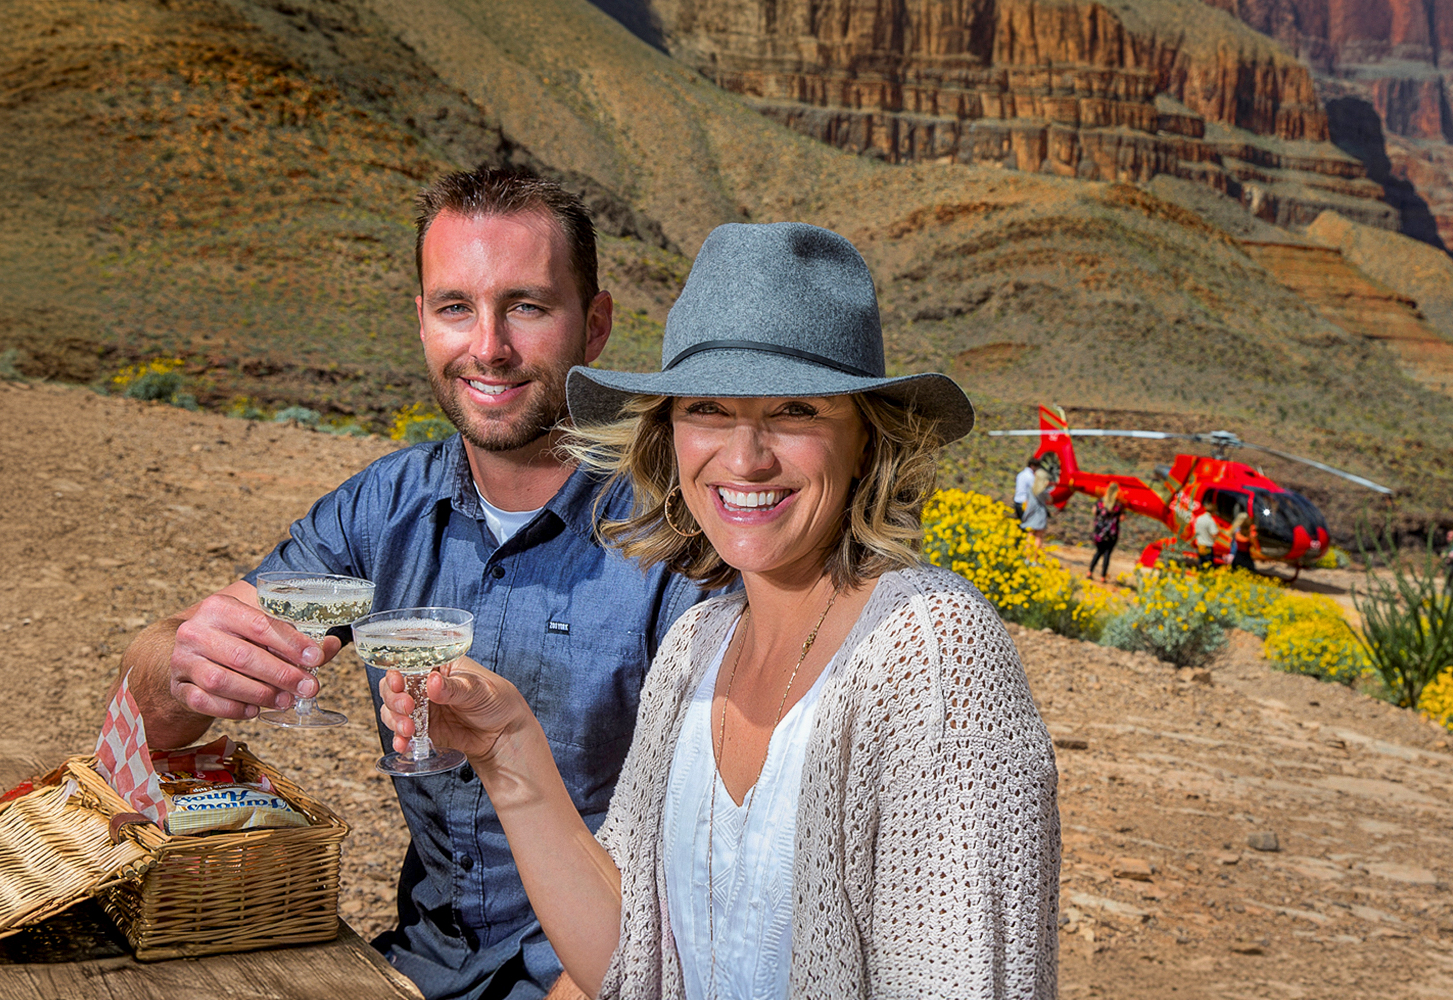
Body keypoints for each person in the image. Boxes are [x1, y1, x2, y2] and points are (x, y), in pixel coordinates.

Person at [381, 223, 1061, 999]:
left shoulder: (931, 651)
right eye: (708, 408)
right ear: (668, 436)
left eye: (796, 411)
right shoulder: (698, 646)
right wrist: (507, 748)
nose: (744, 459)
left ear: (868, 444)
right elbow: (629, 961)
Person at [114, 166, 708, 1000]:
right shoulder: (381, 508)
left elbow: (699, 879)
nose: (489, 347)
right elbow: (152, 718)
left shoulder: (679, 541)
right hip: (414, 965)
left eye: (527, 306)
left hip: (608, 975)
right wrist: (183, 663)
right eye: (456, 307)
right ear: (422, 320)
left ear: (595, 324)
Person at [1088, 482, 1123, 581]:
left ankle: (1090, 571)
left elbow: (1094, 511)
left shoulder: (1100, 502)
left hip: (1099, 532)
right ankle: (1103, 576)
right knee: (1107, 554)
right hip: (1112, 533)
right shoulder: (1118, 505)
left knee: (1098, 552)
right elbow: (1122, 518)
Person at [1015, 454, 1049, 544]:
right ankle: (1021, 547)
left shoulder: (1021, 474)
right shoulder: (1030, 477)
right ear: (1032, 466)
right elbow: (1036, 490)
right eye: (1037, 467)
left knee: (1021, 526)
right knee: (1028, 528)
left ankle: (1018, 547)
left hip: (1017, 501)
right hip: (1024, 503)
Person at [1193, 502, 1219, 570]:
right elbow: (1213, 534)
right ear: (1213, 512)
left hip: (1200, 545)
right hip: (1207, 546)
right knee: (1209, 566)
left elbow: (1195, 531)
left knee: (1201, 564)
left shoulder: (1199, 518)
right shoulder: (1210, 521)